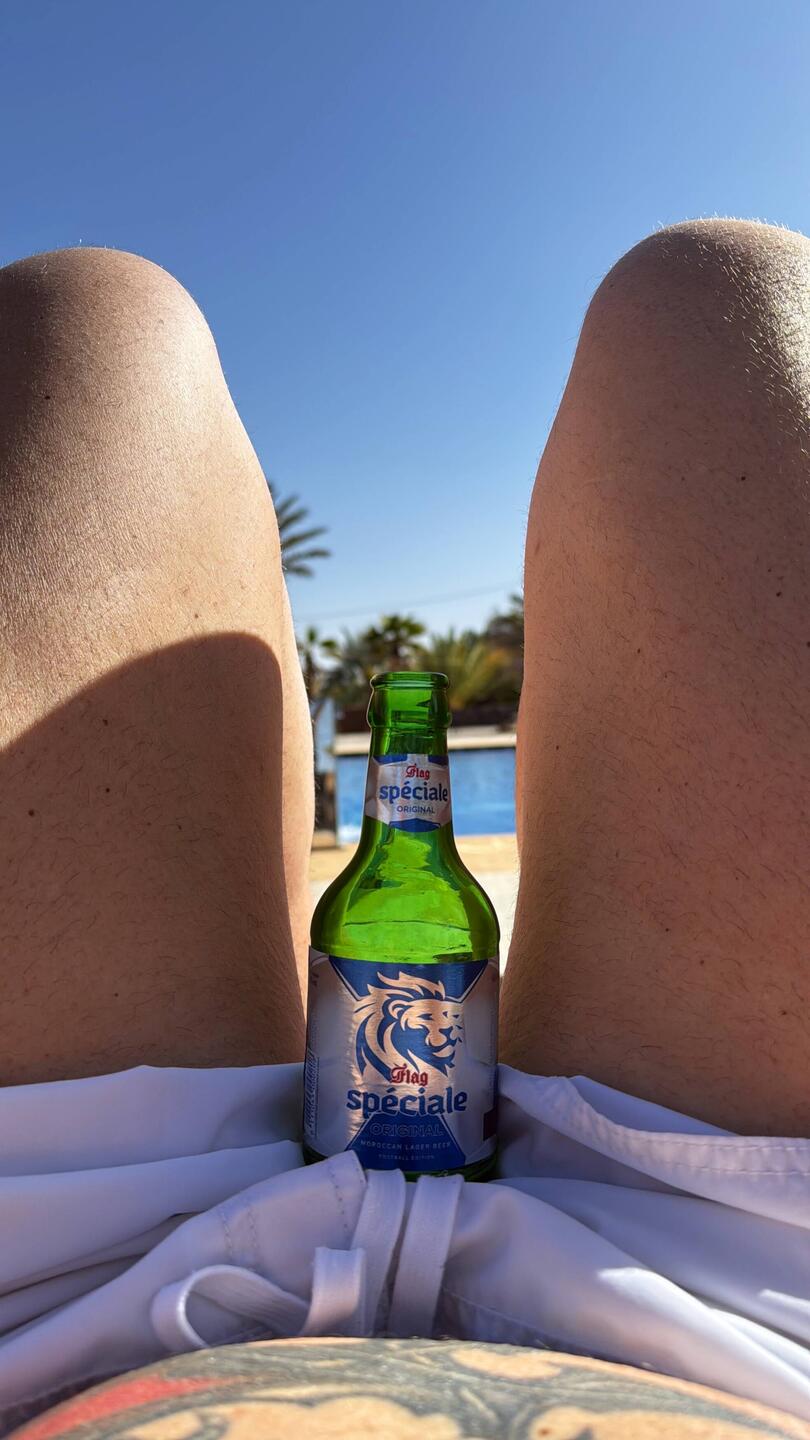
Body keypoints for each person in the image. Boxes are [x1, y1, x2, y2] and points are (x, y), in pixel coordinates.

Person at [0, 220, 808, 1439]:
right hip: (727, 1266)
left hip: (62, 1282)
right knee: (709, 304)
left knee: (87, 321)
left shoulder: (433, 888)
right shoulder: (387, 882)